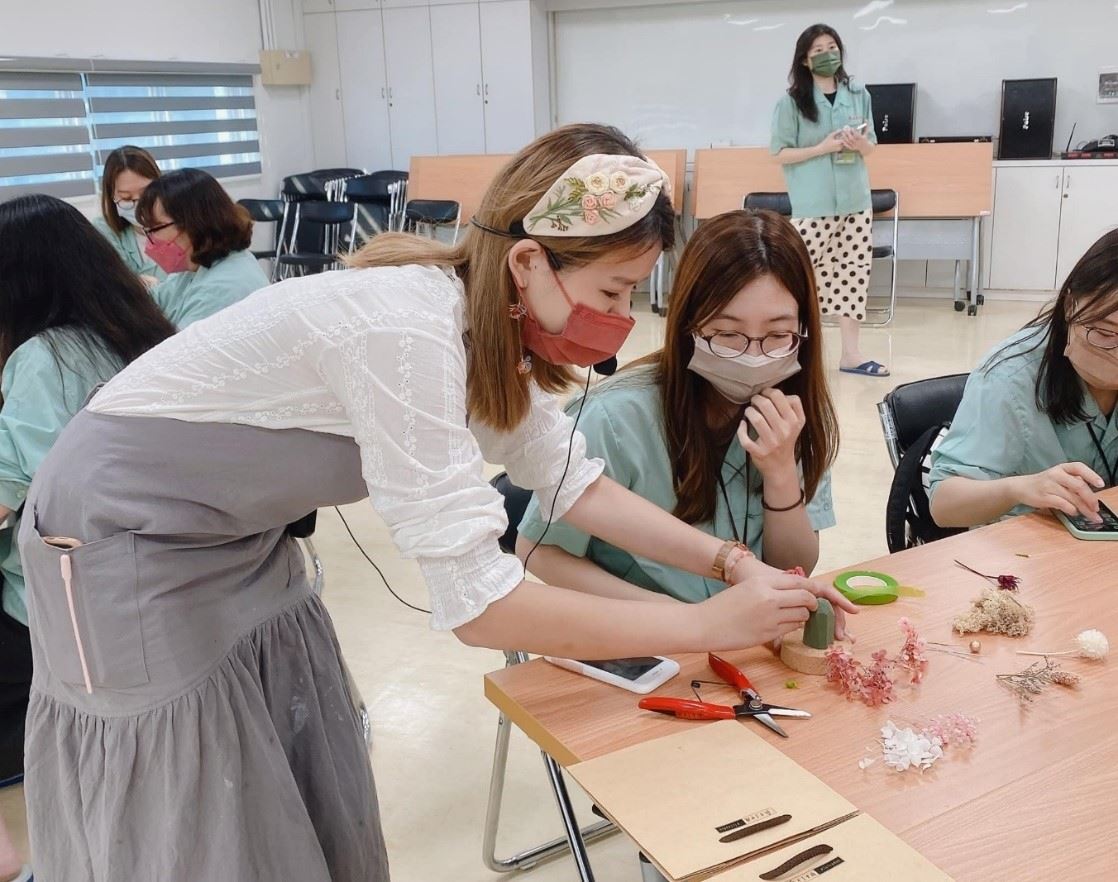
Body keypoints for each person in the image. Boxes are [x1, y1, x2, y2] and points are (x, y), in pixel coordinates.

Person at [18, 124, 855, 881]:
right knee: (194, 795)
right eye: (610, 293)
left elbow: (571, 480)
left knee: (286, 759)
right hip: (118, 543)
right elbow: (481, 607)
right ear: (529, 261)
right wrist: (704, 627)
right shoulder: (405, 330)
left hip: (235, 540)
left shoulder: (479, 329)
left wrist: (731, 562)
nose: (620, 320)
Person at [517, 209, 839, 601]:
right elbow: (541, 552)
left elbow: (796, 566)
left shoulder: (792, 411)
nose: (752, 355)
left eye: (777, 334)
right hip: (640, 641)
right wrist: (683, 621)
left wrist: (781, 476)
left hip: (743, 638)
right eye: (726, 333)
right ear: (689, 325)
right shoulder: (615, 418)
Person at [0, 195, 175, 792]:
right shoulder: (145, 333)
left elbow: (49, 488)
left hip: (76, 595)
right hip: (163, 570)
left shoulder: (38, 360)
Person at [929, 229, 1118, 527]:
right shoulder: (1011, 376)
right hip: (1023, 551)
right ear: (1070, 307)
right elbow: (944, 505)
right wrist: (1019, 489)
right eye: (1104, 334)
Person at [771, 23, 887, 377]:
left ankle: (851, 355)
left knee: (854, 273)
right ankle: (785, 353)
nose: (827, 54)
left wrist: (858, 145)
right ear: (805, 60)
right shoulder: (791, 102)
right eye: (818, 50)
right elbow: (780, 153)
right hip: (813, 203)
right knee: (797, 277)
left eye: (832, 46)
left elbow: (872, 146)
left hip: (855, 200)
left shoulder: (858, 92)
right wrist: (823, 148)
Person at [137, 168, 269, 328]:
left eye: (154, 228)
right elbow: (157, 299)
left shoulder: (220, 289)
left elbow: (177, 350)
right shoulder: (198, 267)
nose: (150, 240)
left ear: (192, 224)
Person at [91, 145, 165, 282]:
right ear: (112, 197)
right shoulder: (103, 230)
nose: (139, 205)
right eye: (126, 198)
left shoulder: (181, 224)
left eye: (146, 193)